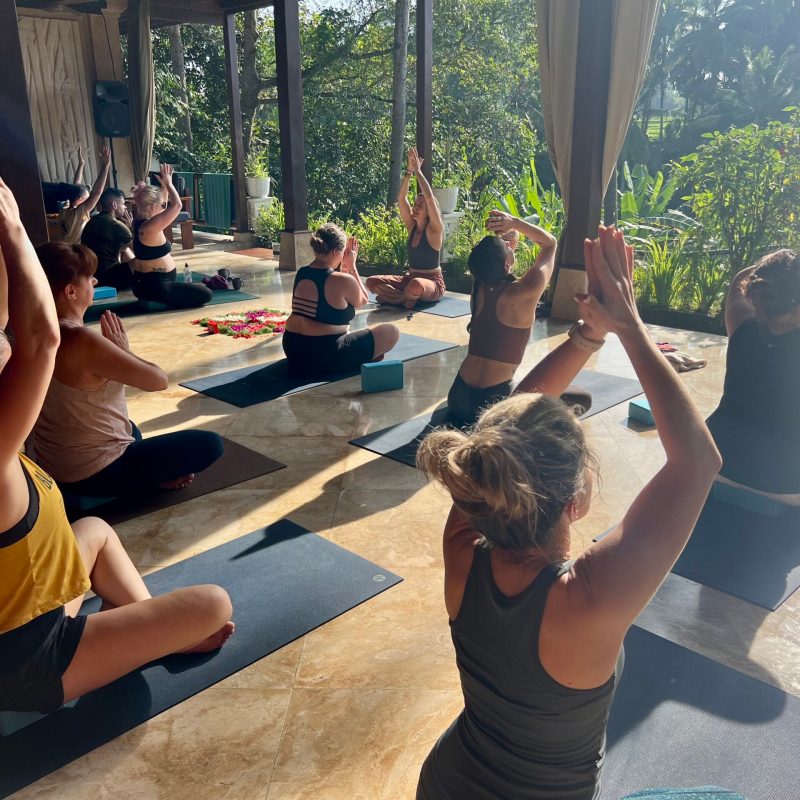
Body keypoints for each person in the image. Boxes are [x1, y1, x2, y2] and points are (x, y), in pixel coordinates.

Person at [415, 227, 722, 800]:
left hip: (444, 785)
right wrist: (625, 323)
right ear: (577, 503)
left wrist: (588, 337)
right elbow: (699, 461)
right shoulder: (586, 599)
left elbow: (506, 420)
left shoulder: (465, 544)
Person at [0, 176, 234, 715]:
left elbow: (33, 343)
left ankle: (144, 632)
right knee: (212, 603)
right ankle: (145, 636)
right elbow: (45, 341)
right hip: (33, 661)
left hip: (35, 600)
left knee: (97, 532)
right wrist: (10, 228)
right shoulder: (1, 452)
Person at [28, 242, 224, 499]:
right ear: (70, 291)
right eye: (89, 278)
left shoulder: (31, 332)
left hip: (51, 465)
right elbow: (158, 381)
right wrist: (123, 350)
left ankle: (148, 475)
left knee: (130, 427)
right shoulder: (82, 341)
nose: (95, 281)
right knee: (209, 444)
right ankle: (144, 480)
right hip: (92, 474)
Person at [445, 210, 586, 426]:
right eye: (507, 247)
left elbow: (495, 263)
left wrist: (510, 237)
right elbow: (550, 244)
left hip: (458, 397)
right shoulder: (524, 292)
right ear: (505, 264)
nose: (510, 245)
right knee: (580, 398)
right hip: (494, 405)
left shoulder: (479, 285)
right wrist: (515, 223)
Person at [706, 248, 800, 502]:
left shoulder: (739, 323)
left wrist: (779, 257)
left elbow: (741, 279)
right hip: (788, 486)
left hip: (715, 464)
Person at [283, 223, 400, 377]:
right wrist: (352, 266)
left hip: (293, 350)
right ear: (335, 252)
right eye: (343, 252)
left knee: (345, 331)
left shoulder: (302, 273)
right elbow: (363, 300)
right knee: (391, 331)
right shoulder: (342, 280)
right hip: (326, 355)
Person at [365, 147, 446, 309]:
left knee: (416, 285)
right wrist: (409, 172)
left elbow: (429, 198)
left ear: (429, 211)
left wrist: (418, 171)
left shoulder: (435, 230)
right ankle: (406, 298)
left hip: (432, 283)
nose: (415, 207)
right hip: (410, 279)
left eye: (420, 205)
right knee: (371, 282)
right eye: (415, 204)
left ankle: (397, 299)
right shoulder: (412, 227)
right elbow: (401, 199)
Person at [131, 164, 211, 310]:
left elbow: (162, 206)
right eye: (162, 204)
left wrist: (165, 188)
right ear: (154, 206)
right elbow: (177, 206)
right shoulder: (150, 227)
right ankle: (156, 302)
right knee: (206, 294)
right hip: (156, 286)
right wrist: (169, 183)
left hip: (144, 283)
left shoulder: (139, 220)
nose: (164, 206)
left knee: (193, 289)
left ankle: (153, 299)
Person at [81, 187, 135, 290]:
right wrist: (132, 229)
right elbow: (141, 251)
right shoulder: (116, 225)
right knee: (143, 260)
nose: (125, 207)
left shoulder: (91, 222)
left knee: (125, 250)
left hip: (92, 276)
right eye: (123, 204)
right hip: (110, 278)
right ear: (114, 205)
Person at [57, 146, 113, 244]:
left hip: (67, 247)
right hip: (77, 250)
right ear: (80, 200)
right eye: (86, 197)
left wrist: (81, 164)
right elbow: (97, 192)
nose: (88, 198)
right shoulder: (78, 214)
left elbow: (76, 186)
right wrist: (106, 166)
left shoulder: (65, 209)